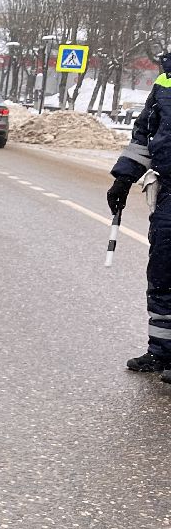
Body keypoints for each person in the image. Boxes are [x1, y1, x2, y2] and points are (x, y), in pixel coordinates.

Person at [108, 50, 171, 378]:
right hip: (169, 193)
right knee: (162, 273)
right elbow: (145, 133)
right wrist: (124, 178)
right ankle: (162, 351)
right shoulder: (165, 81)